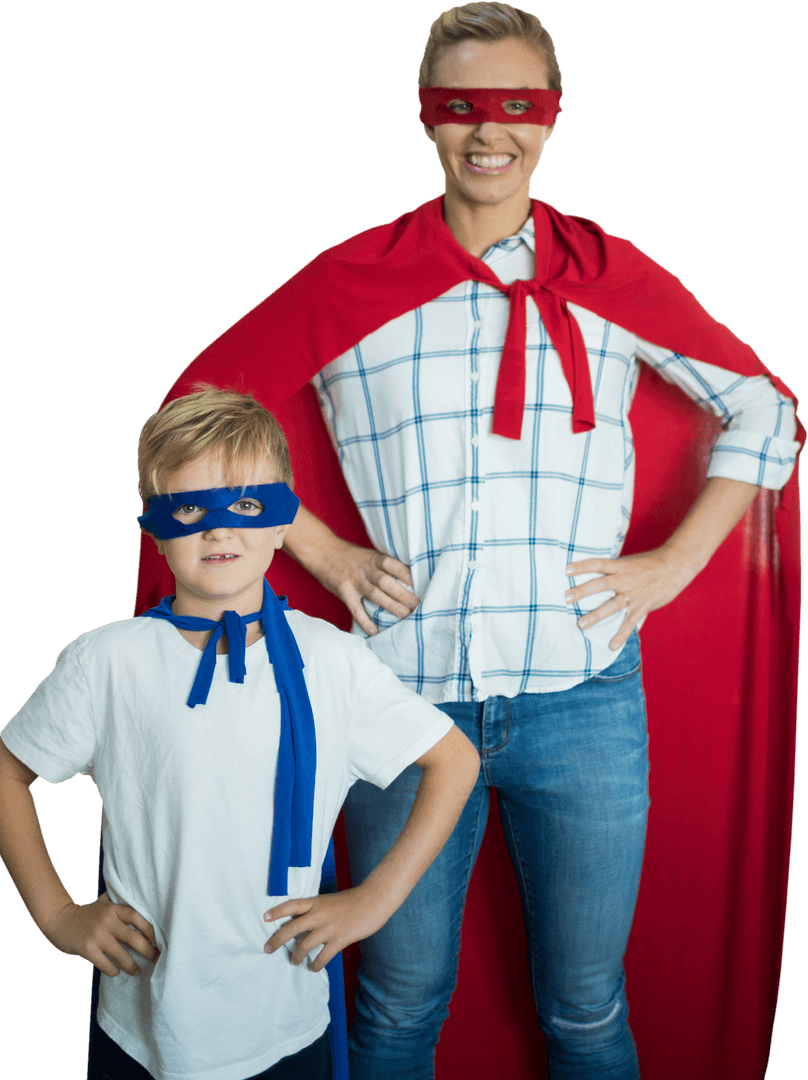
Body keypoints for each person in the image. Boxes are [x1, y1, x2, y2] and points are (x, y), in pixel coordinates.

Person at [130, 5, 801, 1079]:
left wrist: (676, 561)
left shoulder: (612, 281)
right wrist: (319, 549)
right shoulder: (356, 283)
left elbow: (766, 409)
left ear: (552, 117)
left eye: (517, 105)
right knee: (395, 1002)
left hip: (583, 696)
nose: (490, 131)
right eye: (461, 106)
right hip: (401, 700)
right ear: (426, 118)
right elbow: (197, 406)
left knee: (586, 1009)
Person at [0, 387, 480, 1080]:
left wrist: (373, 902)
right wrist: (58, 913)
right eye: (189, 510)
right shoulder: (106, 662)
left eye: (246, 506)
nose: (218, 531)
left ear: (283, 525)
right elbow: (0, 772)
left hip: (285, 1019)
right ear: (155, 529)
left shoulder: (333, 660)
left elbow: (453, 760)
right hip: (143, 1027)